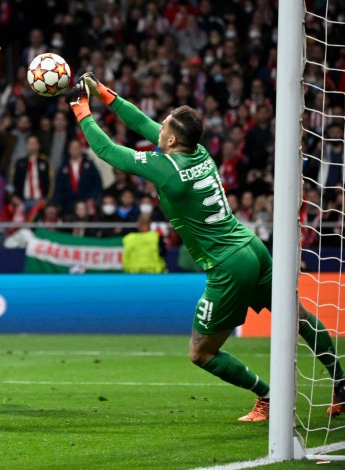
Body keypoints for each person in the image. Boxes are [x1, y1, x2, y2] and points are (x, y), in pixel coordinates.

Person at [69, 73, 345, 421]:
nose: (158, 127)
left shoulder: (166, 168)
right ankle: (341, 382)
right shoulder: (197, 152)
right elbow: (140, 122)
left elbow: (107, 151)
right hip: (251, 246)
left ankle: (268, 396)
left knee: (201, 353)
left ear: (170, 139)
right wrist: (104, 93)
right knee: (298, 317)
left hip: (228, 264)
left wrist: (81, 108)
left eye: (164, 125)